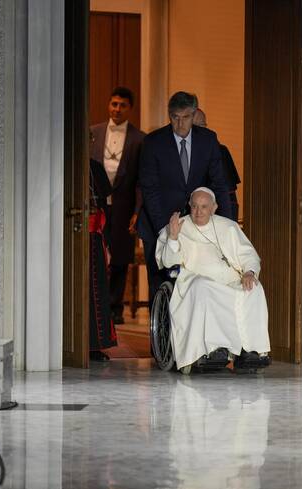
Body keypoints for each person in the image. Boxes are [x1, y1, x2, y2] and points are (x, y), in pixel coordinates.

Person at [155, 187, 271, 373]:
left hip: (230, 281)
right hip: (194, 280)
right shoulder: (178, 226)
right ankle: (214, 349)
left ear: (214, 207)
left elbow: (249, 255)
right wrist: (174, 237)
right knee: (205, 286)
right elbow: (168, 263)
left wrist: (249, 272)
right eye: (194, 207)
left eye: (204, 207)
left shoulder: (229, 227)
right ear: (189, 206)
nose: (198, 212)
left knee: (253, 288)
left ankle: (252, 351)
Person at [138, 91, 231, 304]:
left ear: (194, 114)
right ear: (169, 115)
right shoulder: (153, 142)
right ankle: (160, 335)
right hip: (157, 222)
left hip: (193, 223)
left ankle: (186, 334)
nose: (180, 124)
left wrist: (227, 225)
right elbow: (150, 189)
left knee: (190, 282)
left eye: (186, 117)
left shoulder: (208, 140)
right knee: (160, 283)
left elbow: (219, 184)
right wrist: (166, 230)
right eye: (175, 117)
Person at [90, 87, 145, 324]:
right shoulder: (94, 132)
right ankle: (96, 305)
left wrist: (137, 211)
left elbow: (141, 179)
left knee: (121, 257)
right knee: (97, 253)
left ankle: (115, 307)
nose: (117, 109)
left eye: (122, 105)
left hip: (124, 205)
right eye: (114, 104)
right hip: (98, 204)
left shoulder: (139, 138)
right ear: (108, 104)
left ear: (129, 108)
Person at [88, 156, 118, 361]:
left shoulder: (95, 167)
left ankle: (94, 346)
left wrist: (107, 242)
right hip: (68, 238)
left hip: (94, 238)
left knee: (97, 291)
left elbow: (106, 208)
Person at [192, 108, 242, 222]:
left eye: (201, 125)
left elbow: (230, 198)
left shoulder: (220, 151)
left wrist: (229, 226)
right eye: (193, 126)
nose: (198, 131)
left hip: (212, 221)